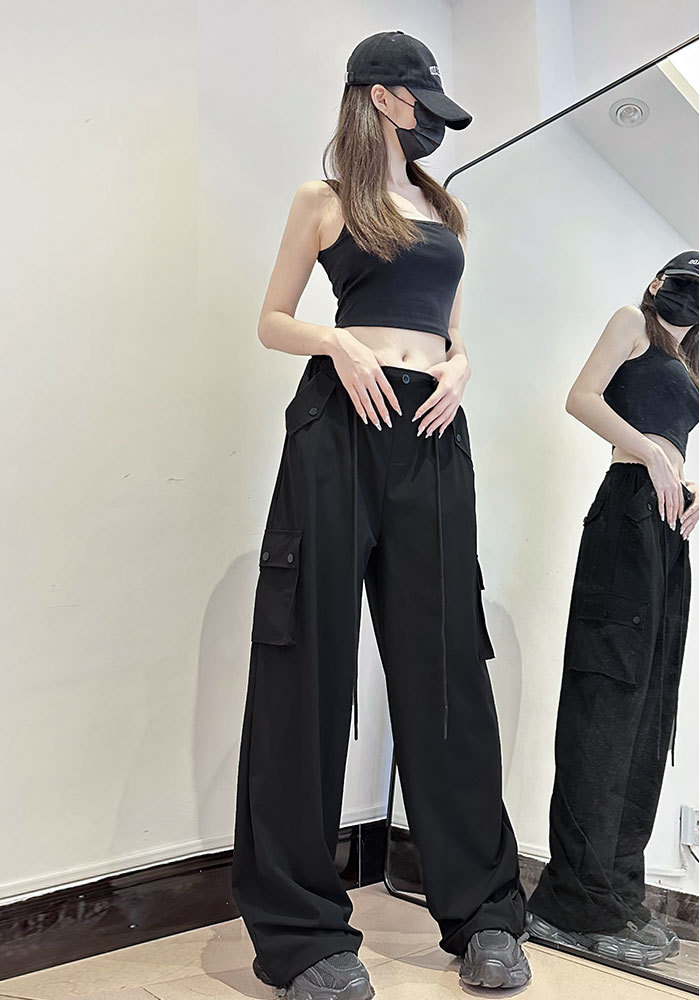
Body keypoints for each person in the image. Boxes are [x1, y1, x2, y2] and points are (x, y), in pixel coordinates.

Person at [231, 30, 531, 1000]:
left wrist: (463, 366)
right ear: (380, 98)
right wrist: (338, 343)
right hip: (339, 422)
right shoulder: (324, 201)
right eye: (420, 105)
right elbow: (272, 318)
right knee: (306, 667)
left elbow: (451, 331)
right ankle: (302, 934)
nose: (431, 124)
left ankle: (485, 914)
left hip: (433, 434)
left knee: (447, 670)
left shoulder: (446, 210)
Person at [527, 252, 699, 968]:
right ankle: (569, 901)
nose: (688, 299)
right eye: (681, 285)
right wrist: (652, 455)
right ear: (657, 284)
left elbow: (670, 447)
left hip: (667, 529)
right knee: (605, 707)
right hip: (626, 515)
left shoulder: (688, 362)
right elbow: (581, 397)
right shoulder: (630, 324)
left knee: (647, 712)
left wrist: (689, 482)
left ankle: (614, 893)